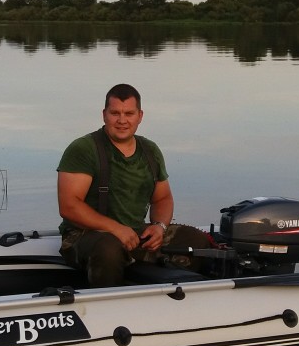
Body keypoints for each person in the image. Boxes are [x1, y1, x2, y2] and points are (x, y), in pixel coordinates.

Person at [57, 83, 210, 287]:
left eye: (129, 113)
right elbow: (69, 206)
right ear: (104, 114)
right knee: (108, 249)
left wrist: (159, 227)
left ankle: (171, 295)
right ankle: (106, 303)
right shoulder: (83, 149)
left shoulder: (150, 150)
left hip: (134, 234)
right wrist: (116, 229)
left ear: (140, 116)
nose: (122, 120)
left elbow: (163, 198)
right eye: (115, 113)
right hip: (85, 236)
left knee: (195, 240)